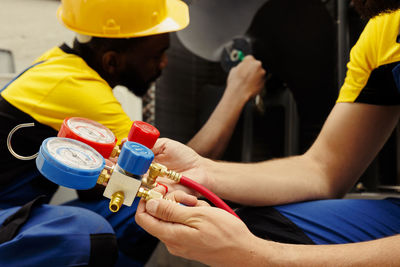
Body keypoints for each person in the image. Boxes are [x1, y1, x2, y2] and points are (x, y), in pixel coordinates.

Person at [0, 0, 265, 266]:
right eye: (155, 55)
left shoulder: (61, 64)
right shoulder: (78, 89)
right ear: (112, 61)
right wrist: (237, 93)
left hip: (17, 210)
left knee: (148, 206)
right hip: (6, 214)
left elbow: (109, 188)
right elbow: (179, 172)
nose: (163, 63)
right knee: (87, 232)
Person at [135, 1, 400, 265]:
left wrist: (264, 256)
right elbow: (323, 170)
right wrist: (202, 171)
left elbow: (262, 255)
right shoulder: (383, 33)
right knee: (254, 227)